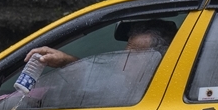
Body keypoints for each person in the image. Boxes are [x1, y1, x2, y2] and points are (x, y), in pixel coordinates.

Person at [24, 19, 177, 68]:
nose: (123, 60)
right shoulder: (127, 82)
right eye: (125, 52)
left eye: (133, 55)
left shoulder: (163, 88)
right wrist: (65, 60)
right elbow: (96, 77)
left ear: (159, 59)